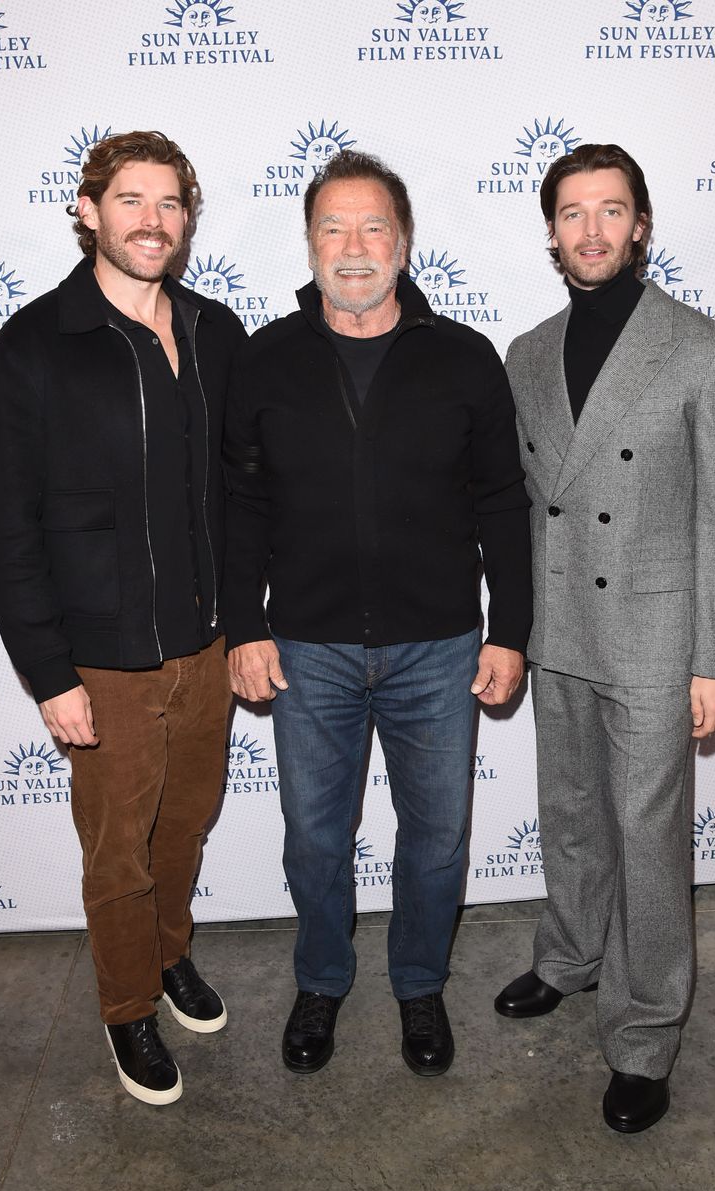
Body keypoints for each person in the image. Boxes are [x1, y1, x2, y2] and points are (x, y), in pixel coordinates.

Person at [224, 149, 532, 1077]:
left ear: (402, 243)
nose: (353, 248)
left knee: (435, 838)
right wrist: (243, 623)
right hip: (306, 647)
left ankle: (418, 988)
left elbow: (502, 503)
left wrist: (510, 627)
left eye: (372, 228)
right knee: (316, 838)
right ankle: (321, 980)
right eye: (333, 227)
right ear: (309, 241)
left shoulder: (464, 357)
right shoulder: (264, 357)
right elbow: (236, 504)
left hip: (438, 648)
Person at [0, 130, 247, 1105]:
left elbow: (241, 492)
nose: (153, 221)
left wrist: (245, 624)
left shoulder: (216, 332)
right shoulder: (36, 344)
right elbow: (6, 525)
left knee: (183, 832)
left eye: (170, 203)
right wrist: (51, 675)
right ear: (89, 210)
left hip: (206, 646)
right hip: (104, 662)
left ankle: (169, 955)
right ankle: (128, 1009)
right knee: (117, 853)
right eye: (131, 200)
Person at [500, 143, 715, 1132]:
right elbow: (527, 507)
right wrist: (513, 632)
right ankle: (567, 958)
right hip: (559, 624)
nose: (591, 230)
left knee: (647, 840)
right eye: (572, 213)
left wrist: (714, 660)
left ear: (640, 224)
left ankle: (645, 1033)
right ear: (552, 232)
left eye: (610, 210)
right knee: (568, 813)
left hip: (655, 636)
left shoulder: (707, 351)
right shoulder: (525, 353)